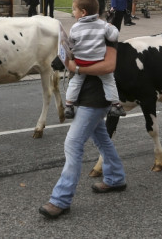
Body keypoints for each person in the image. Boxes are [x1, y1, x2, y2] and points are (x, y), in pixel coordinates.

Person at [39, 42, 126, 219]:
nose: (74, 14)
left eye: (76, 11)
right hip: (84, 98)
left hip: (94, 99)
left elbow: (109, 66)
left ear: (85, 11)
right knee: (102, 138)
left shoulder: (105, 31)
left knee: (73, 144)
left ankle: (60, 200)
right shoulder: (82, 31)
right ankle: (116, 178)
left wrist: (74, 67)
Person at [64, 0, 126, 120]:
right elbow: (113, 37)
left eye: (74, 9)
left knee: (75, 82)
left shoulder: (74, 28)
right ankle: (116, 105)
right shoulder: (102, 25)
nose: (73, 12)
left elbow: (71, 44)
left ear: (83, 12)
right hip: (98, 61)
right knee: (108, 81)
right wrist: (112, 26)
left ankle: (69, 105)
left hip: (81, 62)